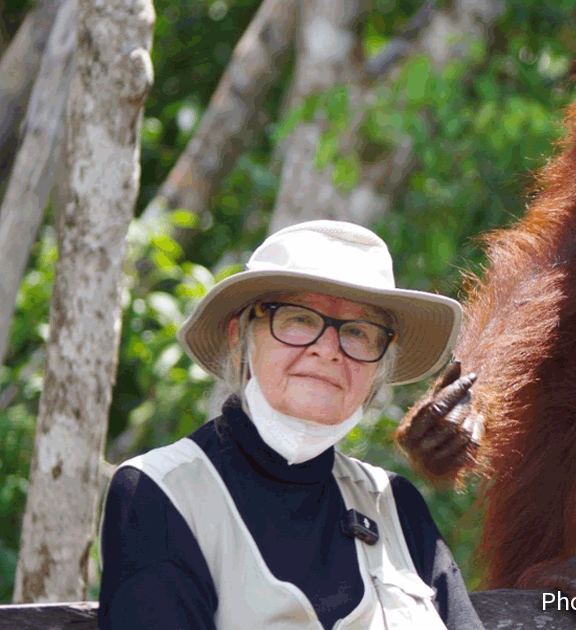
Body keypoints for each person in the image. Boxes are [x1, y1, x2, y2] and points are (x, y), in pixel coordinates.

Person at [98, 220, 484, 630]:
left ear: (379, 365)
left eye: (358, 331)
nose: (328, 349)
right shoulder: (162, 493)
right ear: (240, 337)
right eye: (299, 319)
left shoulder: (396, 505)